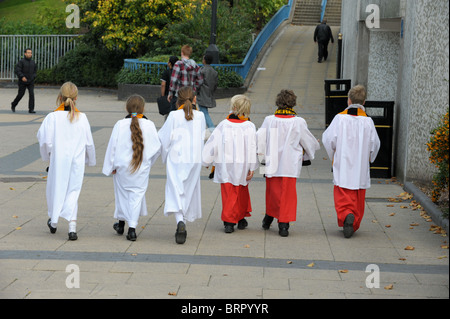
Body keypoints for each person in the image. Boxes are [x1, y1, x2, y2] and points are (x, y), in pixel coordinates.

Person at [37, 82, 96, 240]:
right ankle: (72, 227)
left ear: (59, 96)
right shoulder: (82, 118)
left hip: (58, 160)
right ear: (76, 98)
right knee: (73, 191)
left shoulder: (52, 117)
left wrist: (49, 157)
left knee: (55, 190)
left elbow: (45, 141)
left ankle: (54, 222)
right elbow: (89, 143)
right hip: (76, 161)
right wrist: (90, 160)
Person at [256, 90, 320, 237]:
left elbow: (259, 138)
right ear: (293, 103)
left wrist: (261, 160)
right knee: (287, 195)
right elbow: (307, 141)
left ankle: (268, 217)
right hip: (289, 163)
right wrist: (313, 146)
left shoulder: (269, 119)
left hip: (271, 163)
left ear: (278, 102)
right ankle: (283, 225)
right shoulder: (298, 122)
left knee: (273, 193)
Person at [322, 85, 381, 238]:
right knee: (358, 194)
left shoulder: (339, 118)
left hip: (343, 162)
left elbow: (328, 139)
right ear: (364, 102)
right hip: (360, 165)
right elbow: (375, 144)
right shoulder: (368, 121)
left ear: (349, 100)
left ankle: (346, 214)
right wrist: (369, 157)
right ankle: (353, 220)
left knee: (342, 193)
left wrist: (333, 155)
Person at [102, 95, 161, 241]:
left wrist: (111, 166)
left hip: (122, 167)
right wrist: (147, 163)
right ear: (143, 108)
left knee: (122, 195)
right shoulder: (150, 125)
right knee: (136, 196)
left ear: (126, 108)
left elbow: (112, 147)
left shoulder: (120, 124)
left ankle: (121, 224)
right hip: (141, 166)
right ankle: (132, 228)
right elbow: (157, 149)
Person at [202, 95, 258, 233]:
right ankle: (238, 218)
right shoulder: (250, 126)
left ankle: (229, 221)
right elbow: (252, 147)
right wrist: (252, 167)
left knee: (228, 192)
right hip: (242, 166)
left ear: (233, 108)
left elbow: (213, 143)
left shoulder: (224, 125)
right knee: (240, 191)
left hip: (225, 165)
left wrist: (206, 159)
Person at [158, 86, 206, 244]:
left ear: (177, 99)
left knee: (175, 189)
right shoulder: (200, 116)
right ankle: (183, 220)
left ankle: (180, 221)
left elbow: (164, 138)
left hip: (176, 157)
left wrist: (163, 154)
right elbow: (201, 137)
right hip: (193, 158)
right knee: (188, 190)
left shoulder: (173, 115)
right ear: (194, 99)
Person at [167, 45, 204, 112]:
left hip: (179, 95)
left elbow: (174, 80)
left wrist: (170, 93)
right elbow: (200, 80)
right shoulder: (196, 66)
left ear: (182, 53)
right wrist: (194, 89)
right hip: (190, 95)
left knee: (176, 114)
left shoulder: (178, 64)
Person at [197, 53, 218, 135]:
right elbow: (216, 84)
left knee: (204, 112)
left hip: (202, 93)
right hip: (209, 93)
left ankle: (212, 130)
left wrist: (195, 90)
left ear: (204, 60)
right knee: (203, 112)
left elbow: (198, 83)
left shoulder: (202, 70)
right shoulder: (214, 72)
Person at [11, 48, 37, 113]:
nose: (30, 54)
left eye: (30, 53)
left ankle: (31, 109)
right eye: (28, 52)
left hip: (30, 81)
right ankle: (13, 104)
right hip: (22, 81)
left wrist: (33, 77)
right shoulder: (21, 62)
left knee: (32, 94)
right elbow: (17, 70)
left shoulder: (33, 62)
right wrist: (22, 77)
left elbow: (35, 71)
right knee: (21, 94)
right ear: (25, 54)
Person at [159, 56, 179, 120]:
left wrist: (162, 95)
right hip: (178, 94)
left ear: (170, 63)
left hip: (168, 95)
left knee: (169, 113)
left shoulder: (166, 72)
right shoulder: (179, 72)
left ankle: (168, 126)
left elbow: (163, 85)